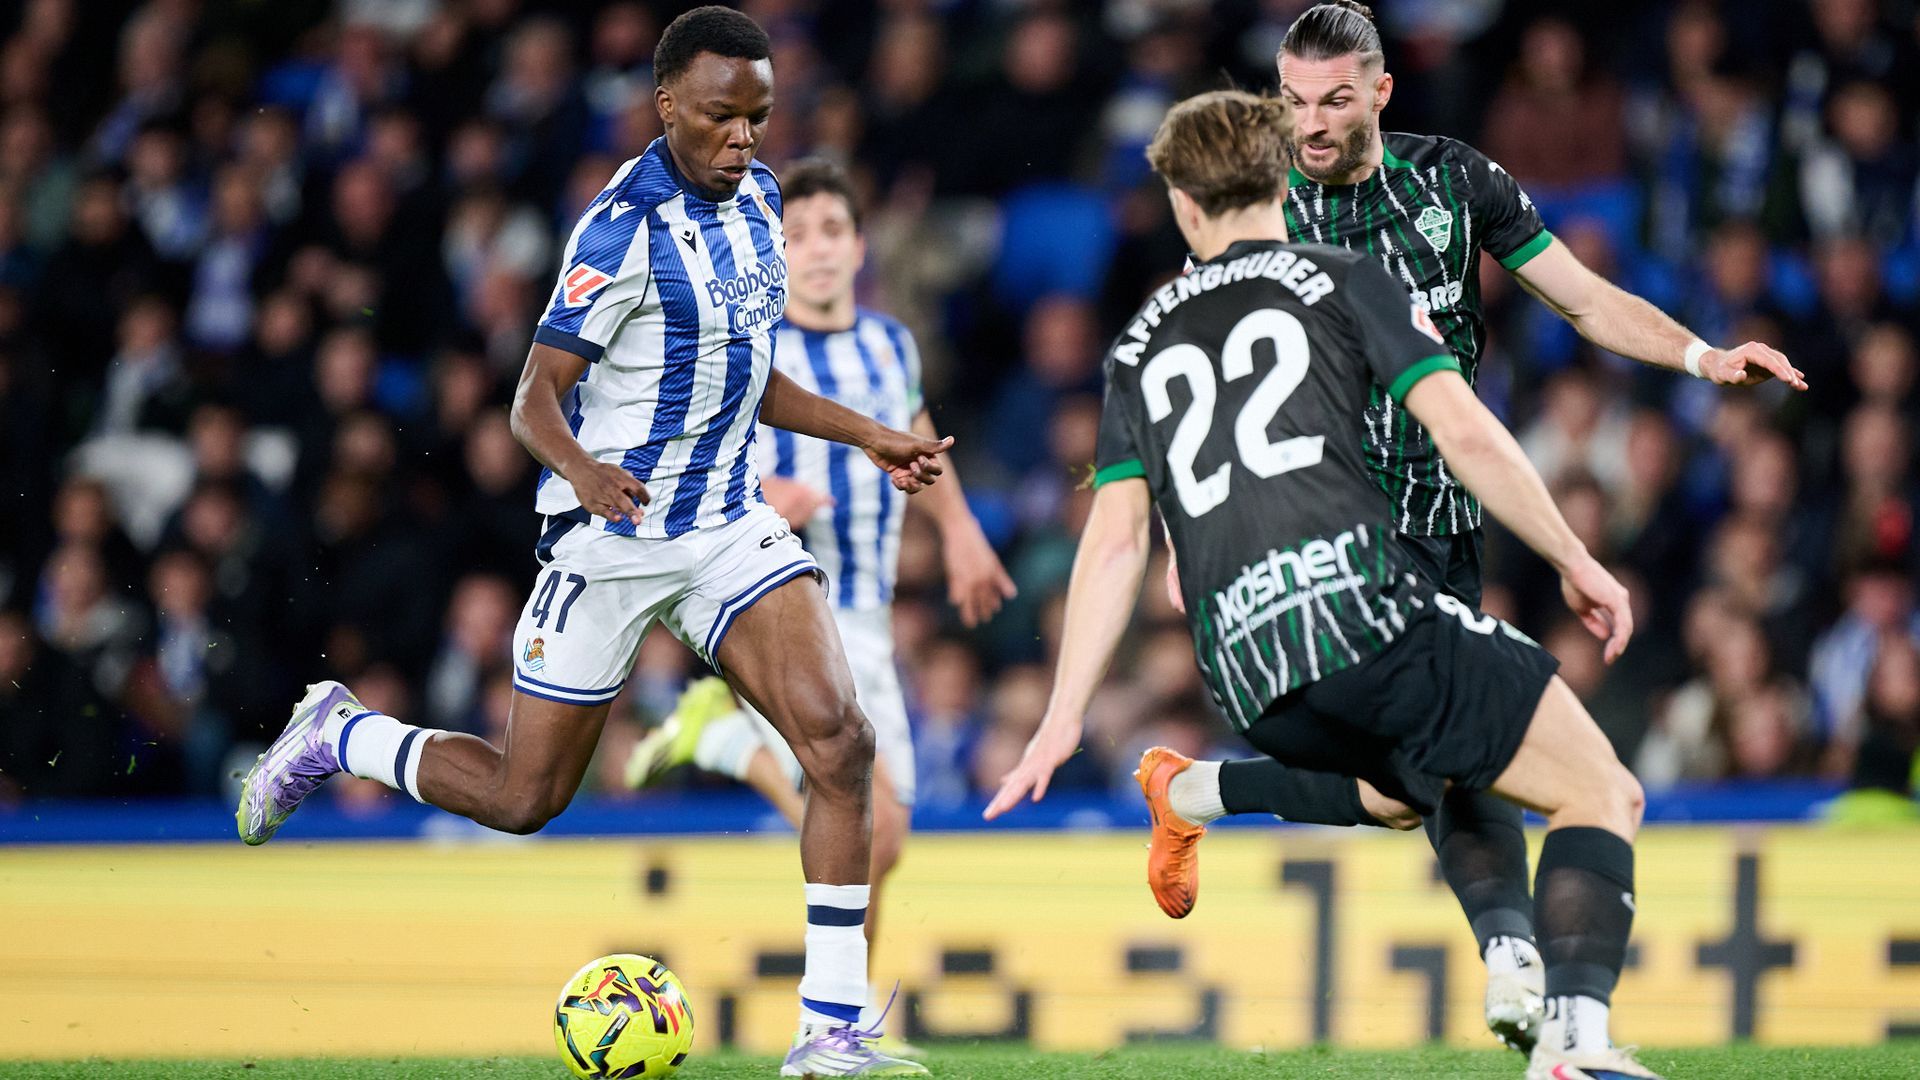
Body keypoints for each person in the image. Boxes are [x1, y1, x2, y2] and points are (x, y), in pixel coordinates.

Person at [235, 10, 937, 1076]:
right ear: (666, 106)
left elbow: (750, 375)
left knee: (841, 745)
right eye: (720, 116)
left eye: (758, 115)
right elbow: (531, 399)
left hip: (723, 525)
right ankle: (343, 737)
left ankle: (827, 1033)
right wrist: (581, 469)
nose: (744, 136)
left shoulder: (761, 202)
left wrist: (869, 432)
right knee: (525, 800)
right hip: (608, 537)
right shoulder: (619, 229)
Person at [1146, 0, 1803, 1053]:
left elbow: (1584, 300)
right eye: (1294, 101)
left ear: (1380, 93)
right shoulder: (1255, 210)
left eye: (1334, 101)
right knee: (1475, 758)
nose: (1310, 124)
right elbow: (1195, 388)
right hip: (1335, 538)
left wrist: (1702, 357)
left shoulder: (1455, 181)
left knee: (1418, 787)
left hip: (1449, 519)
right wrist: (1185, 542)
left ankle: (1197, 792)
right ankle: (1529, 976)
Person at [986, 88, 1663, 1080]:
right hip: (1364, 618)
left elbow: (1115, 545)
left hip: (1248, 673)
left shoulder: (1135, 348)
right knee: (1604, 791)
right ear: (1279, 180)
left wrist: (1062, 713)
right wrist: (1573, 556)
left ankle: (1197, 791)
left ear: (1182, 204)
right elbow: (1463, 429)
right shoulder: (1337, 276)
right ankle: (1573, 1046)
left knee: (1412, 794)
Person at [621, 159, 1015, 1050]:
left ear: (859, 245)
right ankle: (841, 1029)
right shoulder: (753, 349)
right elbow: (692, 463)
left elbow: (914, 432)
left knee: (891, 841)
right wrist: (770, 495)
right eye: (796, 236)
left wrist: (958, 529)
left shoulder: (889, 343)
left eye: (833, 230)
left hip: (868, 610)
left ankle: (725, 742)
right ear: (773, 251)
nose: (818, 250)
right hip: (783, 603)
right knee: (867, 827)